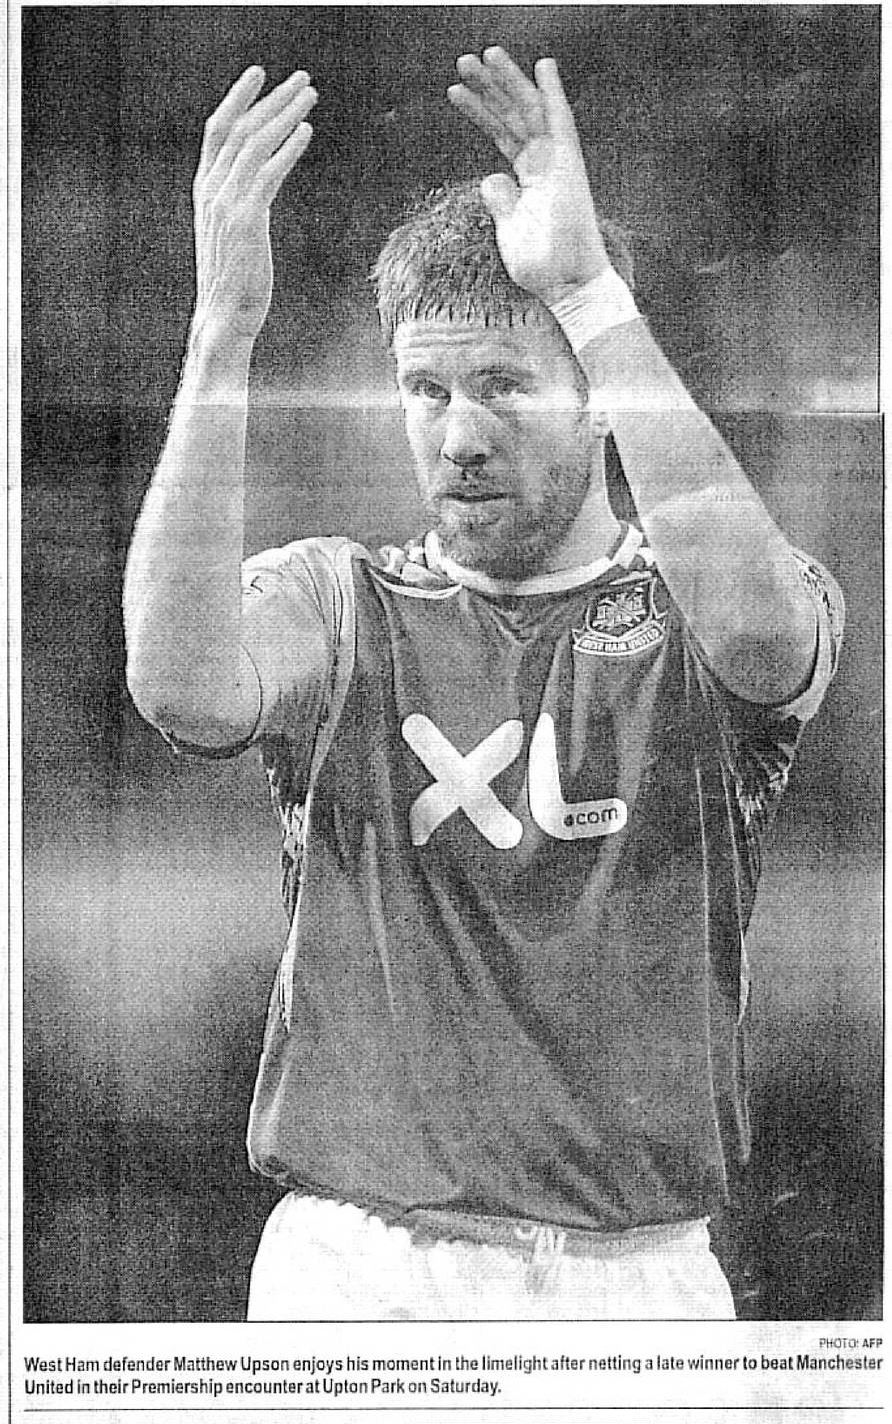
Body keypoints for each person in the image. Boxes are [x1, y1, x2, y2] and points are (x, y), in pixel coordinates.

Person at [124, 48, 843, 1321]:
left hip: (639, 1280)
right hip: (362, 1265)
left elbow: (759, 636)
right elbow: (179, 686)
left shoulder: (697, 605)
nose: (458, 435)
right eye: (426, 389)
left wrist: (587, 293)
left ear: (600, 401)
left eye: (505, 386)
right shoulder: (340, 599)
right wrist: (221, 331)